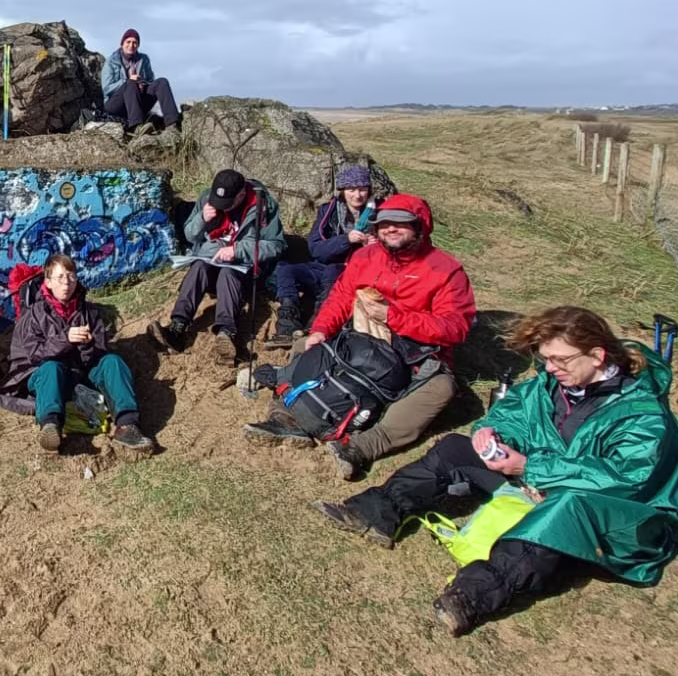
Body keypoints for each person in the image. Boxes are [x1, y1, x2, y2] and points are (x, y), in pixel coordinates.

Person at [310, 306, 678, 636]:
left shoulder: (643, 415)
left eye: (560, 360)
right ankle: (377, 512)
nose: (550, 368)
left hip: (611, 519)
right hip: (540, 482)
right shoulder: (553, 384)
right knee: (455, 449)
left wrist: (533, 468)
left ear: (597, 356)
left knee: (562, 510)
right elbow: (514, 411)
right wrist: (491, 433)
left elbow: (626, 479)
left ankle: (473, 596)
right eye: (545, 359)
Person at [243, 194, 475, 479]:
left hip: (413, 356)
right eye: (384, 223)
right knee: (305, 343)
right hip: (359, 341)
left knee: (441, 388)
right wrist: (321, 330)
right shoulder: (366, 256)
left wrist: (393, 317)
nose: (390, 229)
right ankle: (286, 416)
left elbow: (455, 327)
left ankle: (361, 447)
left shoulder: (446, 271)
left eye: (400, 223)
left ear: (420, 226)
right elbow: (341, 296)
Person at [4, 254, 154, 453]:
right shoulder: (34, 315)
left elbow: (100, 352)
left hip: (82, 373)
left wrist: (86, 345)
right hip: (48, 379)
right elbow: (34, 355)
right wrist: (65, 339)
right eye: (60, 277)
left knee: (112, 361)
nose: (66, 282)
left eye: (71, 276)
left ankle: (127, 425)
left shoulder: (88, 311)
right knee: (51, 367)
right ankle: (50, 426)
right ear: (48, 282)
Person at [148, 169, 285, 364]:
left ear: (241, 195)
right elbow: (189, 235)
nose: (222, 208)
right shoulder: (207, 198)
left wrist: (237, 250)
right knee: (198, 267)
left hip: (242, 269)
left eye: (227, 204)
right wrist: (201, 219)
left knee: (228, 273)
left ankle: (227, 333)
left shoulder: (263, 205)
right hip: (210, 260)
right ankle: (177, 327)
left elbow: (276, 245)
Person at [269, 164, 380, 343]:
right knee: (285, 270)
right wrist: (346, 239)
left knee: (332, 271)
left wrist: (373, 246)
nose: (357, 195)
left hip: (351, 272)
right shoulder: (329, 211)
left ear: (369, 190)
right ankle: (287, 324)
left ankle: (316, 326)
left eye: (362, 189)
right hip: (321, 266)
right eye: (351, 190)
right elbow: (316, 249)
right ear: (342, 191)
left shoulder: (380, 214)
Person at [100, 29, 180, 134]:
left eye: (135, 42)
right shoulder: (111, 61)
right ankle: (137, 126)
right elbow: (106, 88)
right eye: (128, 42)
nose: (131, 45)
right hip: (116, 105)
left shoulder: (144, 59)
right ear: (122, 43)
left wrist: (143, 85)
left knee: (162, 82)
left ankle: (172, 124)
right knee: (131, 83)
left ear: (138, 45)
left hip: (138, 101)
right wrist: (127, 81)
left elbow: (150, 80)